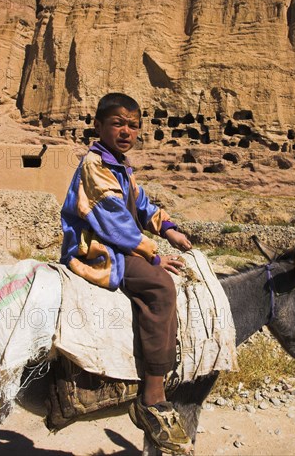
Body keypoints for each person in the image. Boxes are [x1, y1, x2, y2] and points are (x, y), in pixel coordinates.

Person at [60, 92, 193, 454]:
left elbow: (143, 205)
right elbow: (115, 222)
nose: (126, 131)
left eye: (133, 125)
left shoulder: (120, 165)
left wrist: (169, 228)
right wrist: (153, 256)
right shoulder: (94, 165)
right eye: (117, 123)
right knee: (160, 286)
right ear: (99, 126)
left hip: (118, 241)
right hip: (97, 248)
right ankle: (152, 395)